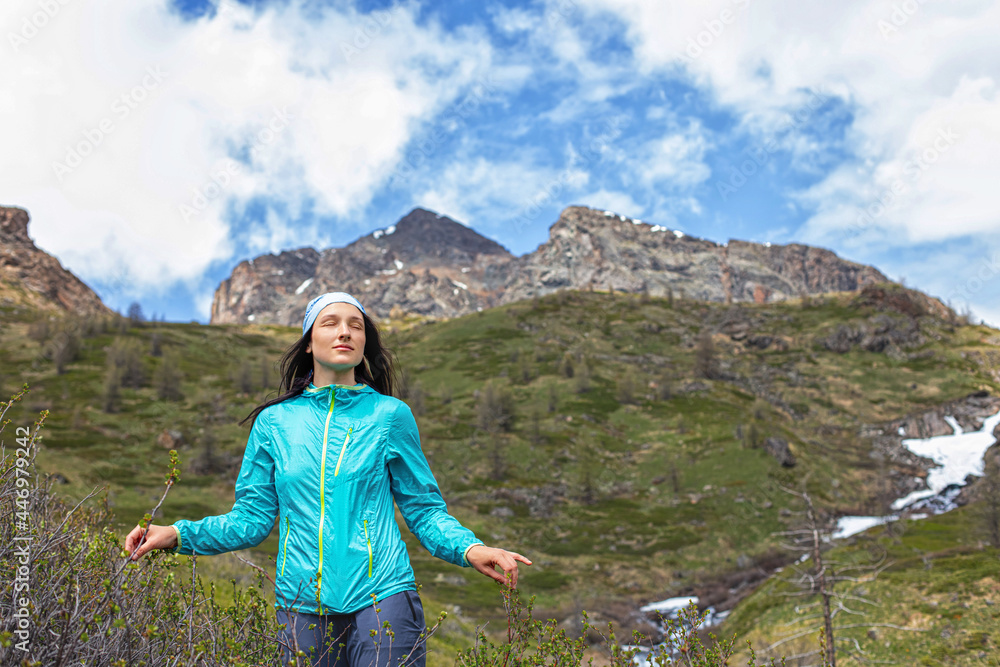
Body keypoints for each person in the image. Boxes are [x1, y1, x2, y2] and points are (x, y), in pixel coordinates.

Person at [124, 291, 531, 667]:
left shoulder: (389, 415)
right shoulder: (274, 423)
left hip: (383, 595)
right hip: (300, 606)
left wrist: (469, 547)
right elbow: (250, 519)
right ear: (308, 341)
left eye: (356, 326)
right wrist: (178, 534)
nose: (345, 332)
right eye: (330, 323)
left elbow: (423, 510)